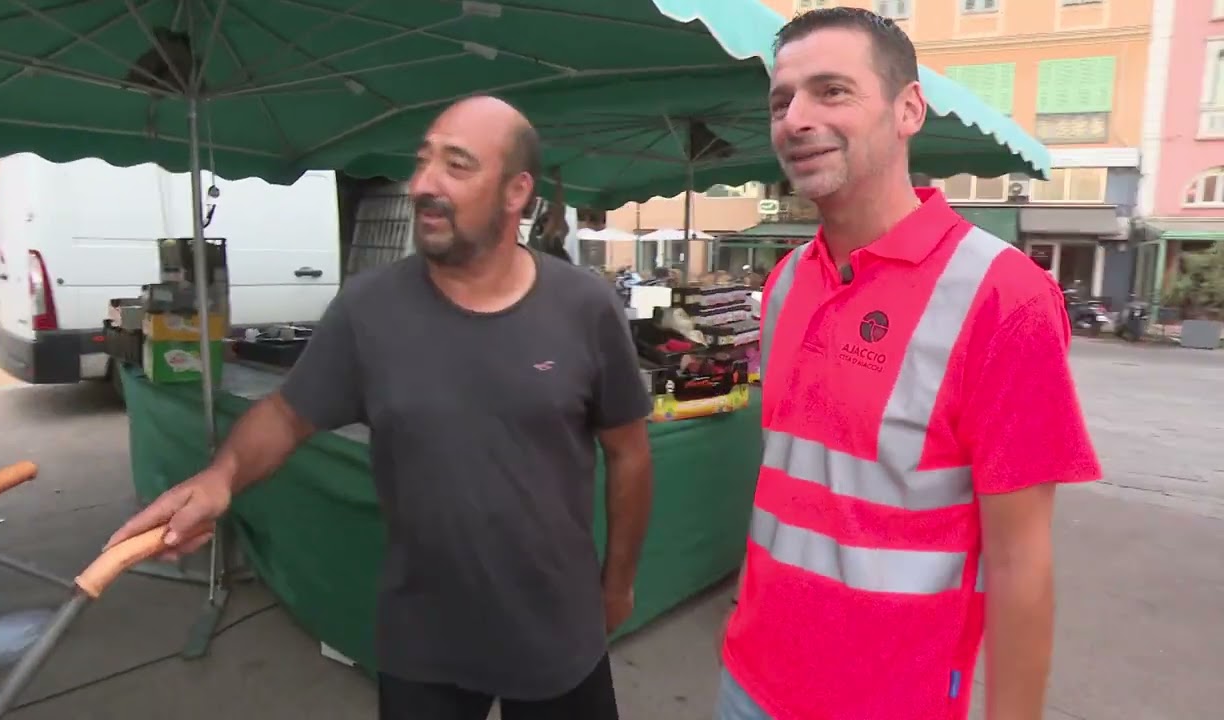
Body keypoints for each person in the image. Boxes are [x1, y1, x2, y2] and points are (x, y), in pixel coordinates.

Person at [106, 95, 655, 720]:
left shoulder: (585, 308)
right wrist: (220, 476)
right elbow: (287, 414)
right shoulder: (369, 310)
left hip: (559, 628)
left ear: (515, 192)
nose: (424, 184)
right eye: (422, 162)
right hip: (424, 638)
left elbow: (629, 453)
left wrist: (617, 583)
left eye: (457, 165)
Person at [716, 8, 1101, 720]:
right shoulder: (785, 284)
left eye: (832, 91)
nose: (795, 118)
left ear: (908, 110)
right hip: (748, 682)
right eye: (781, 99)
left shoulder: (1002, 295)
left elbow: (1021, 565)